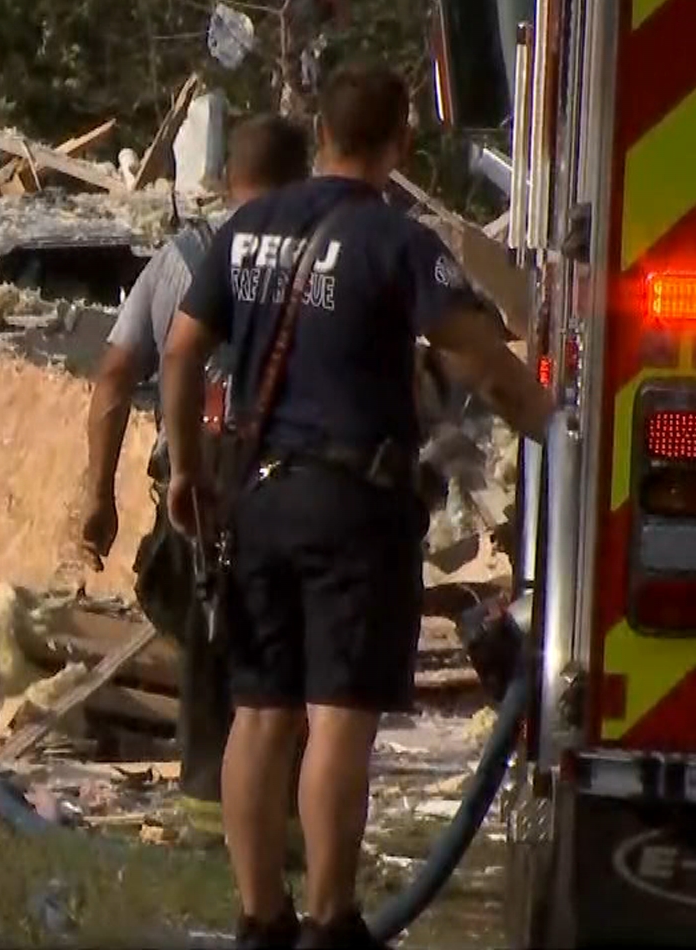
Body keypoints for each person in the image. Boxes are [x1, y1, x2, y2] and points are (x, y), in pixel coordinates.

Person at [159, 63, 553, 949]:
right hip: (354, 506)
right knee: (337, 715)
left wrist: (187, 469)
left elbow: (180, 353)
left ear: (322, 133)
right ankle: (332, 921)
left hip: (257, 498)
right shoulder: (397, 242)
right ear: (399, 142)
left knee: (261, 712)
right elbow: (485, 367)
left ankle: (260, 918)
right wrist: (561, 432)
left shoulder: (246, 228)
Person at [77, 114, 310, 812]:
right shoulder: (324, 256)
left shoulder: (180, 257)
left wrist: (99, 496)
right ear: (304, 180)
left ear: (227, 178)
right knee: (286, 663)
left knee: (208, 656)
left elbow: (114, 378)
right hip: (294, 474)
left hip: (197, 474)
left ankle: (211, 804)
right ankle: (282, 814)